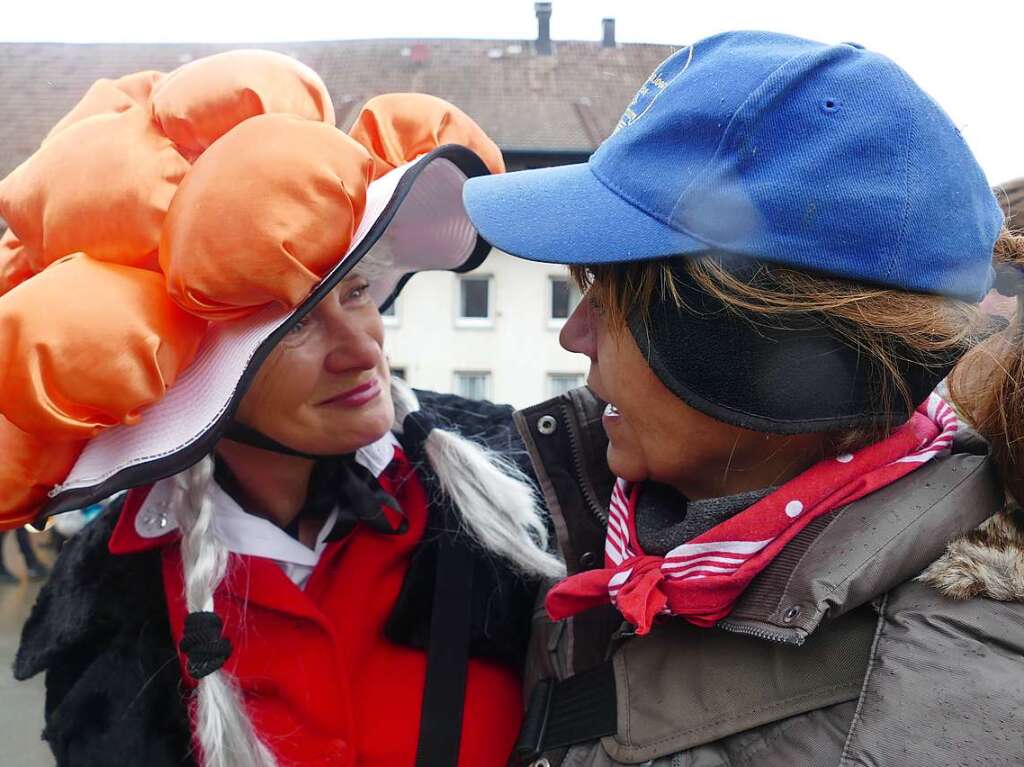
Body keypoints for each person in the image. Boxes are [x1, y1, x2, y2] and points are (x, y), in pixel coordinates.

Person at [463, 31, 1024, 767]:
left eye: (612, 295)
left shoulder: (933, 709)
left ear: (752, 343)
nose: (574, 334)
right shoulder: (635, 533)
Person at [1, 51, 563, 767]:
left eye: (357, 291)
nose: (360, 348)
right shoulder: (112, 596)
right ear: (192, 371)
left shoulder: (519, 484)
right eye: (295, 322)